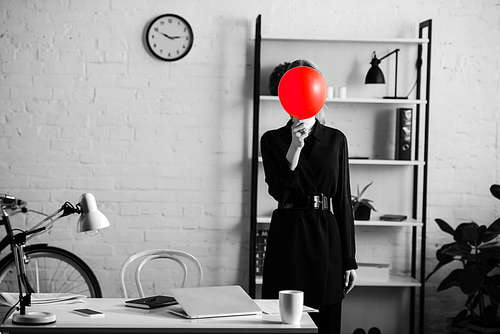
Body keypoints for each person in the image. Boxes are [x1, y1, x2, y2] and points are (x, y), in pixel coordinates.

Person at [260, 59, 358, 334]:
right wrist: (294, 147)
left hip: (326, 238)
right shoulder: (272, 140)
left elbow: (343, 202)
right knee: (283, 324)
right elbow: (278, 192)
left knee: (326, 323)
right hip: (288, 236)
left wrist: (349, 260)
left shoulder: (336, 139)